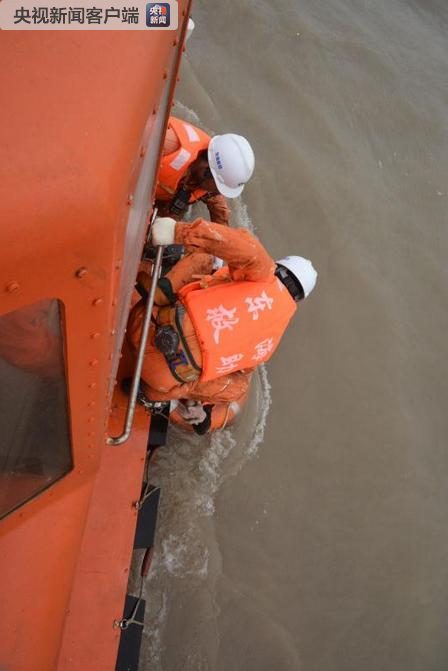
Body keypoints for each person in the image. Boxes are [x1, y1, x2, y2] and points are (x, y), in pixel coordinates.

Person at [127, 217, 317, 429]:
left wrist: (179, 231)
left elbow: (240, 245)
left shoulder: (264, 273)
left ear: (280, 267)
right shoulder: (271, 340)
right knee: (239, 386)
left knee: (206, 256)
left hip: (143, 326)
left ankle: (161, 292)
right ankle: (171, 401)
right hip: (158, 378)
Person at [154, 116, 255, 226]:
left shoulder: (209, 175)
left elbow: (218, 207)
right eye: (219, 186)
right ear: (208, 170)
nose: (219, 192)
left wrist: (220, 234)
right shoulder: (167, 144)